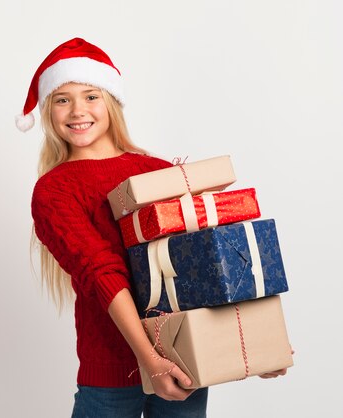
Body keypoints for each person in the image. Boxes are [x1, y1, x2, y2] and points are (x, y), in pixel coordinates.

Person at [17, 38, 286, 418]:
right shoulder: (54, 190)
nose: (77, 110)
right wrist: (151, 360)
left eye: (90, 96)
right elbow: (103, 272)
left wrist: (256, 348)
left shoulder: (156, 172)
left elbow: (208, 259)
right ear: (48, 111)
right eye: (62, 99)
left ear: (110, 101)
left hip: (186, 358)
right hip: (113, 374)